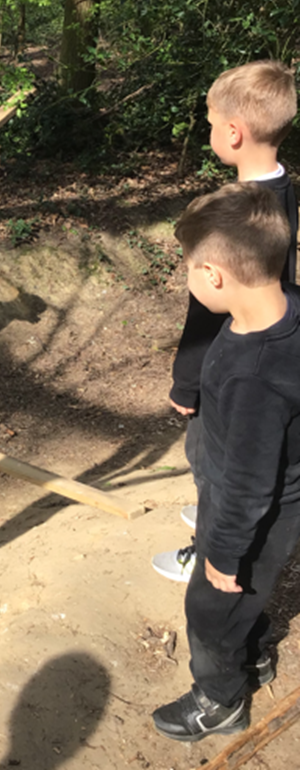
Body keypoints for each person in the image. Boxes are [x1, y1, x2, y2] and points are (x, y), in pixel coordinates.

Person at [152, 181, 300, 742]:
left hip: (250, 510)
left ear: (213, 275)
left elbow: (248, 481)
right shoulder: (288, 311)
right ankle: (253, 655)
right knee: (251, 592)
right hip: (273, 500)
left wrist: (223, 552)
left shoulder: (252, 373)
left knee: (212, 607)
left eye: (189, 269)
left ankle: (219, 700)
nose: (189, 280)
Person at [153, 60, 298, 582]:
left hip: (229, 361)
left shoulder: (246, 214)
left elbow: (203, 316)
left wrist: (186, 381)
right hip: (258, 346)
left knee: (212, 459)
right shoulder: (279, 192)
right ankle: (212, 516)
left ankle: (210, 546)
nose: (209, 131)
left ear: (233, 133)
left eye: (211, 123)